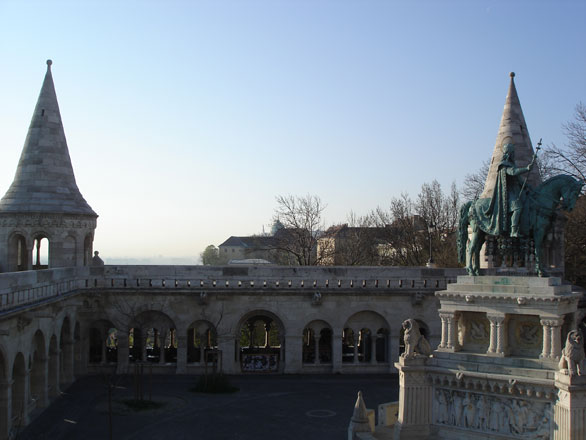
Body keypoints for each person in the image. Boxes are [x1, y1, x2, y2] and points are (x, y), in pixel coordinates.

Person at [480, 142, 534, 238]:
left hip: (516, 191)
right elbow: (512, 172)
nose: (513, 155)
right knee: (518, 207)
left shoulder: (512, 164)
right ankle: (513, 231)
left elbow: (519, 179)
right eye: (512, 153)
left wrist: (527, 186)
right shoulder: (504, 165)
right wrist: (526, 168)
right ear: (508, 153)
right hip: (507, 193)